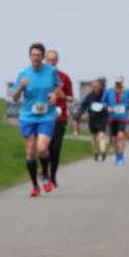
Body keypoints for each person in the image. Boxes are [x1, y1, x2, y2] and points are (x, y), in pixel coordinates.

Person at [10, 43, 62, 196]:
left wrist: (54, 94)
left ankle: (45, 174)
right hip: (28, 117)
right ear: (30, 56)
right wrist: (21, 87)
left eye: (39, 55)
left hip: (47, 116)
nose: (36, 58)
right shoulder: (24, 73)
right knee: (31, 152)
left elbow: (58, 87)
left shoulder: (51, 71)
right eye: (33, 55)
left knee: (42, 148)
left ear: (43, 57)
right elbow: (14, 97)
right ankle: (34, 186)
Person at [44, 49, 75, 187]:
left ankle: (53, 176)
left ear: (57, 61)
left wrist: (64, 96)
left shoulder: (64, 78)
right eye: (49, 59)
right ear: (45, 60)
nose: (51, 62)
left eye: (53, 60)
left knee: (55, 149)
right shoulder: (40, 76)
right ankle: (45, 172)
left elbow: (71, 98)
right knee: (44, 148)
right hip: (43, 117)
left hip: (59, 117)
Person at [102, 76, 129, 165]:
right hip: (112, 118)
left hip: (123, 118)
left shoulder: (128, 91)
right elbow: (103, 102)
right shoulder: (109, 91)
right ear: (115, 82)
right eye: (117, 82)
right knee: (114, 139)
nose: (118, 84)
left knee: (120, 136)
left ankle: (121, 156)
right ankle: (117, 155)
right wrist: (107, 107)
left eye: (120, 82)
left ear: (122, 82)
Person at [80, 78, 110, 161]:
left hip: (102, 118)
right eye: (93, 86)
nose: (95, 88)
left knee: (102, 135)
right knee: (94, 137)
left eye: (97, 86)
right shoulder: (90, 96)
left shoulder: (105, 95)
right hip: (92, 118)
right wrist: (83, 113)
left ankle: (103, 152)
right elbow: (83, 105)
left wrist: (108, 108)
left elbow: (109, 104)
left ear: (100, 86)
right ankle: (96, 153)